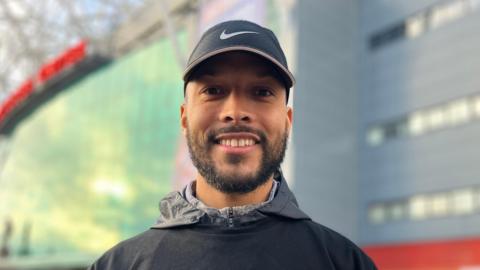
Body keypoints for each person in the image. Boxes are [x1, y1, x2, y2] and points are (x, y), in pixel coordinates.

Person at [88, 20, 377, 270]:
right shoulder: (119, 265)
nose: (236, 110)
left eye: (261, 92)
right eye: (213, 91)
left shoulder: (344, 263)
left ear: (287, 120)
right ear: (185, 117)